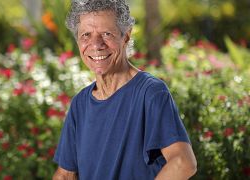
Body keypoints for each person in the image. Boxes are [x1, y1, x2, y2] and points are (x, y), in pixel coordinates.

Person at [53, 0, 197, 179]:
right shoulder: (80, 104)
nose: (96, 44)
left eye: (106, 34)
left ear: (126, 36)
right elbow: (65, 174)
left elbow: (183, 163)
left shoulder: (150, 93)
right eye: (86, 35)